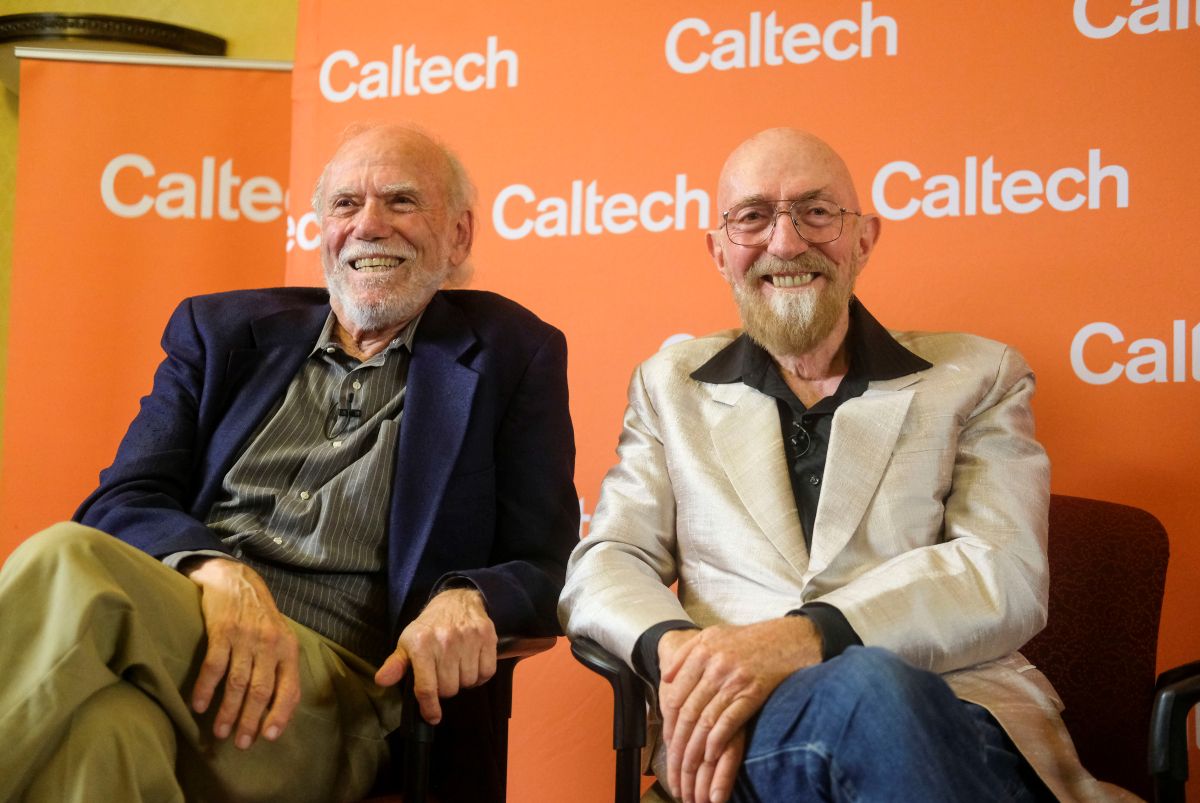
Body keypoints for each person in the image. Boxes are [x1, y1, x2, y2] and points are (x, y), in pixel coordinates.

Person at [0, 122, 578, 802]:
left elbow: (546, 565)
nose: (369, 225)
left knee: (67, 558)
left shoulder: (512, 353)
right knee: (106, 733)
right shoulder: (220, 331)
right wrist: (215, 569)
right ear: (321, 228)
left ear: (458, 235)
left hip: (339, 698)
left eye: (400, 201)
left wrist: (470, 595)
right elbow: (123, 499)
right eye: (345, 204)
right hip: (188, 632)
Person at [559, 128, 1132, 803]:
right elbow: (610, 557)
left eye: (816, 211)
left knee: (871, 686)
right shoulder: (668, 385)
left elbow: (1002, 571)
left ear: (863, 239)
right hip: (750, 736)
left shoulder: (980, 374)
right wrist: (678, 651)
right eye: (754, 217)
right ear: (719, 252)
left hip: (953, 718)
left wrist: (809, 637)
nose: (785, 242)